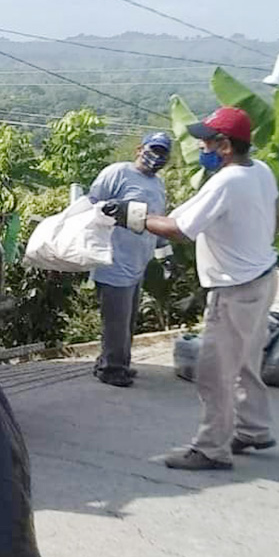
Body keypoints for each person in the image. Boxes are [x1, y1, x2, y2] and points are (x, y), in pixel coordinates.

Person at [103, 107, 279, 471]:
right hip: (263, 277)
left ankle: (211, 449)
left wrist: (130, 216)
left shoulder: (226, 182)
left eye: (207, 141)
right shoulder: (261, 171)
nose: (201, 146)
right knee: (246, 360)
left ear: (225, 145)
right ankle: (253, 428)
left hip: (234, 289)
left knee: (214, 372)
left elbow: (180, 230)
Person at [87, 132, 173, 387]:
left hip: (138, 264)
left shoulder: (158, 185)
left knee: (126, 321)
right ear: (139, 149)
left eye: (163, 153)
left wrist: (165, 255)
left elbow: (158, 221)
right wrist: (112, 210)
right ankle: (112, 369)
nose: (157, 157)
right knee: (116, 322)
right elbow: (90, 206)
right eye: (153, 149)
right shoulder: (117, 173)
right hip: (113, 262)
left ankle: (111, 362)